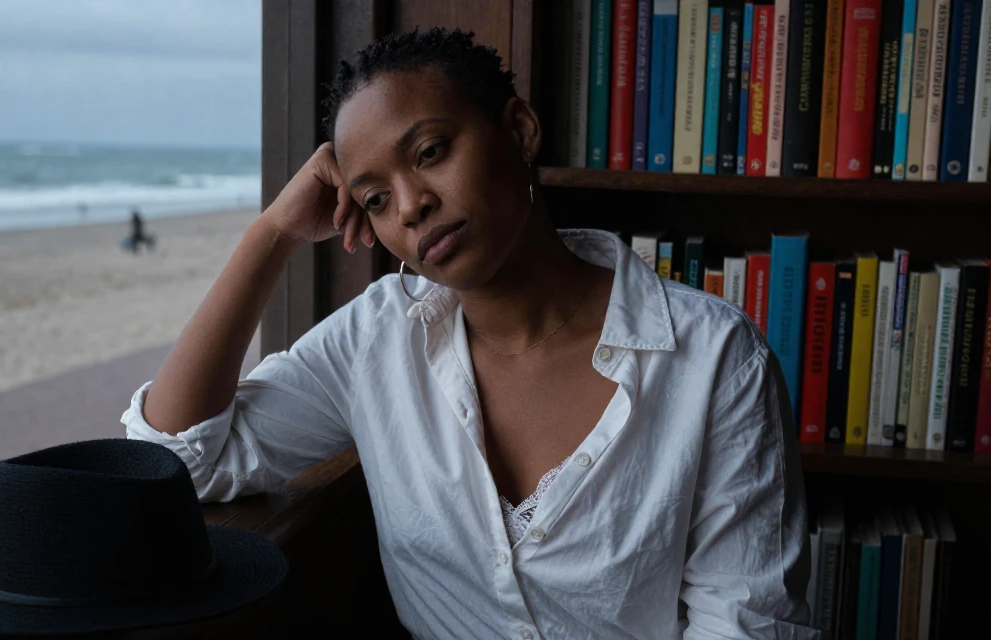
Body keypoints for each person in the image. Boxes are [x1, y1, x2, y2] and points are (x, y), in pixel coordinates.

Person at [122, 29, 815, 639]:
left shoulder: (714, 358)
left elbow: (747, 621)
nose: (412, 206)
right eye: (375, 199)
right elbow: (176, 462)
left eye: (430, 152)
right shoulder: (375, 339)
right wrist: (272, 234)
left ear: (519, 131)